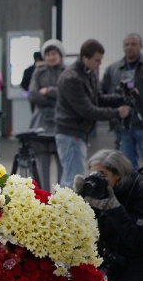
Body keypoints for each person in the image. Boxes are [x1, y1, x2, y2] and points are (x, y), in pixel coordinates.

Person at [73, 149, 143, 281]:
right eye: (92, 173)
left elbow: (137, 242)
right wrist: (78, 201)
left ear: (118, 175)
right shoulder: (98, 190)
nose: (96, 179)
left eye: (102, 174)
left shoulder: (139, 190)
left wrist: (114, 209)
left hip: (139, 259)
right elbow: (82, 234)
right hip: (117, 257)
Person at [55, 39, 130, 188]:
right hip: (71, 134)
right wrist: (117, 112)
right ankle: (66, 210)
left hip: (77, 134)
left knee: (73, 177)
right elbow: (87, 110)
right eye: (97, 60)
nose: (100, 64)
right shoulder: (72, 78)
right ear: (85, 58)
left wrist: (121, 98)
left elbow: (98, 98)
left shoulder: (89, 72)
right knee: (72, 180)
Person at [101, 34, 143, 170]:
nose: (129, 47)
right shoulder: (113, 69)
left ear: (140, 46)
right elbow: (102, 93)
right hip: (122, 124)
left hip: (141, 121)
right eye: (126, 44)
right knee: (127, 165)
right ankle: (134, 190)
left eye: (133, 44)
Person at [28, 39, 66, 134]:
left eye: (54, 54)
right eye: (48, 55)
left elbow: (67, 93)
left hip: (63, 116)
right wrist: (54, 100)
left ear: (60, 55)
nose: (51, 57)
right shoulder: (39, 72)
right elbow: (32, 95)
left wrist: (49, 91)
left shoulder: (66, 72)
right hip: (41, 117)